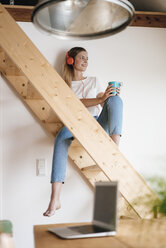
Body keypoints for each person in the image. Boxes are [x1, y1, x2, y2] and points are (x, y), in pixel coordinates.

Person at [43, 47, 123, 217]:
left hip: (96, 122)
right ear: (71, 60)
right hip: (75, 125)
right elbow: (73, 104)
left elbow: (103, 102)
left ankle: (114, 148)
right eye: (82, 58)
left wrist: (107, 97)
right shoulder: (65, 85)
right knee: (60, 139)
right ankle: (55, 198)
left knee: (116, 99)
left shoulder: (94, 80)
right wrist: (100, 99)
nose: (86, 61)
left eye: (87, 58)